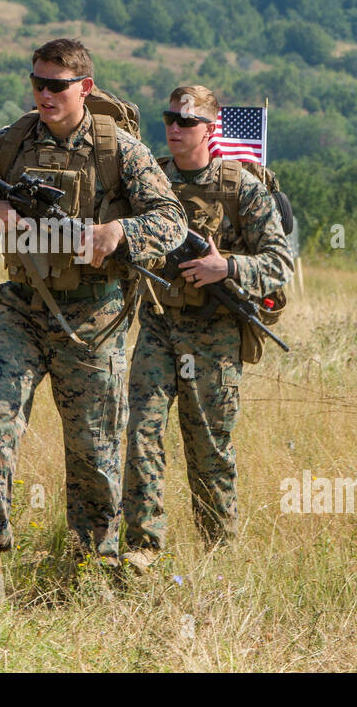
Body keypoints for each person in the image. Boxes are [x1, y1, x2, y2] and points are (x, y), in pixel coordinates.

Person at [0, 38, 187, 598]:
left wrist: (115, 233)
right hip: (21, 311)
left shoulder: (119, 151)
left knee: (94, 446)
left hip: (95, 319)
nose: (45, 94)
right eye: (37, 83)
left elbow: (171, 221)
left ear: (85, 88)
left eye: (57, 85)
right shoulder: (9, 142)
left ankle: (90, 563)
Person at [121, 86, 293, 573]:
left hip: (216, 333)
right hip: (158, 323)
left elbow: (280, 263)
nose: (176, 127)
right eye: (170, 118)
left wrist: (228, 268)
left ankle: (220, 554)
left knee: (209, 447)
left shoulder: (242, 187)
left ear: (211, 129)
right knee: (140, 431)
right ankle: (144, 546)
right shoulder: (150, 179)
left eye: (187, 121)